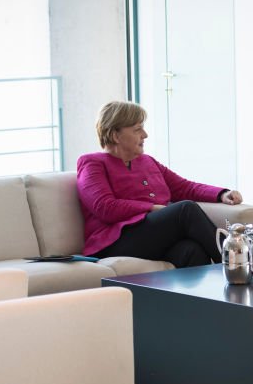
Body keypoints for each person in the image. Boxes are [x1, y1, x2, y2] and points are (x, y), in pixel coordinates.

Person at [76, 101, 243, 268]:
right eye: (137, 129)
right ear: (115, 136)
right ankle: (237, 265)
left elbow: (184, 187)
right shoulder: (92, 163)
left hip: (150, 237)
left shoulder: (147, 161)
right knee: (185, 210)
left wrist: (221, 194)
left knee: (191, 250)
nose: (145, 135)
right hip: (114, 242)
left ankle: (224, 290)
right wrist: (150, 208)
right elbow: (105, 207)